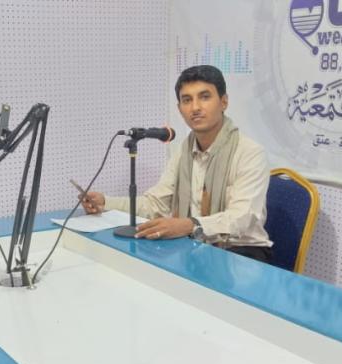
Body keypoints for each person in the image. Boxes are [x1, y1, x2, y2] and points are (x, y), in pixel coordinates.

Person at [81, 65, 272, 262]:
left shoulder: (249, 153)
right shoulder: (184, 151)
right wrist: (105, 202)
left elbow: (242, 218)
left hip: (242, 252)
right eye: (187, 100)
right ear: (180, 108)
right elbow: (155, 204)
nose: (195, 107)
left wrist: (189, 225)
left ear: (224, 102)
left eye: (204, 97)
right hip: (195, 246)